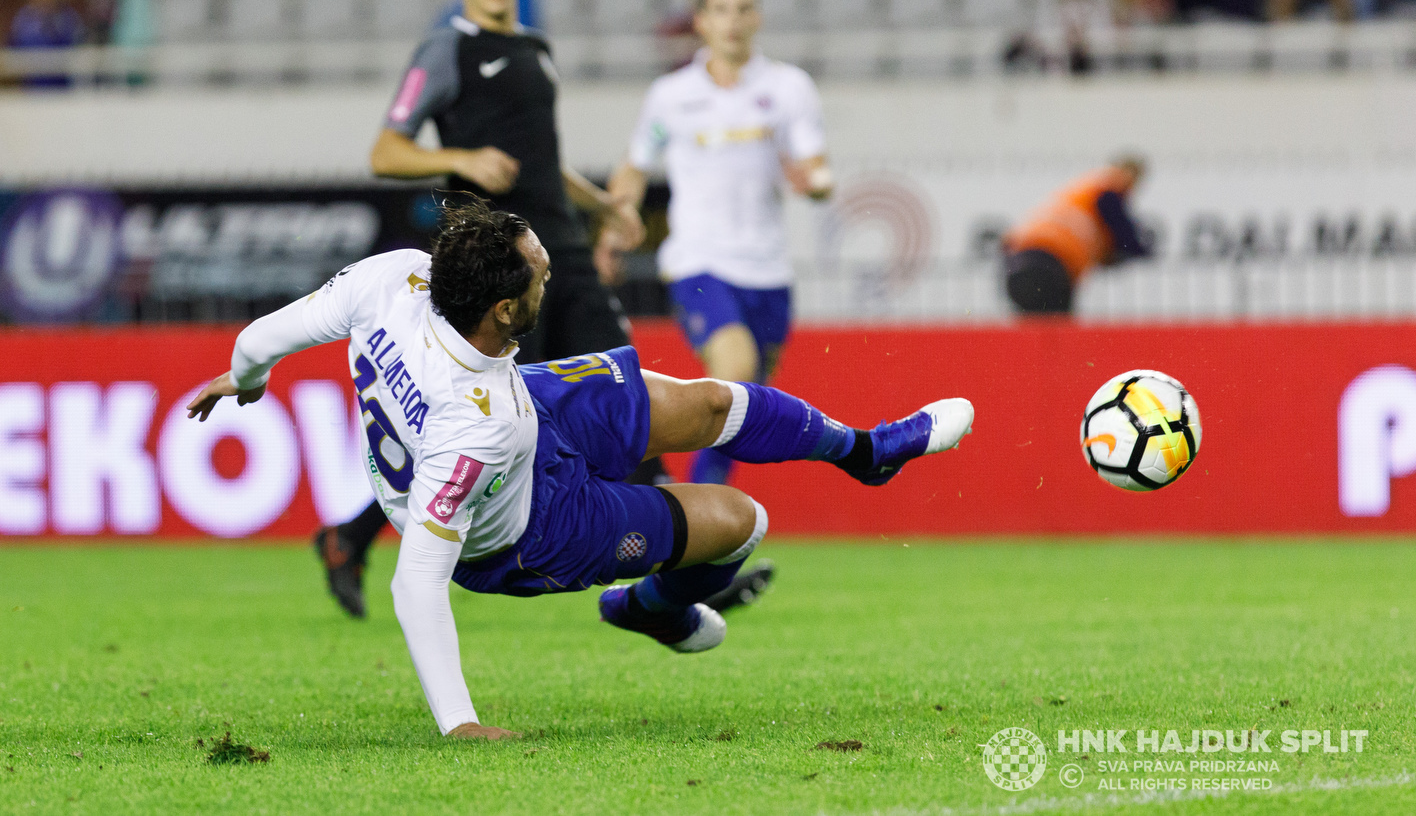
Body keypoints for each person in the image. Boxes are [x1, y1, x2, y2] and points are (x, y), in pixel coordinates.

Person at [186, 200, 976, 738]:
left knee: (702, 402)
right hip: (531, 529)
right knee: (741, 524)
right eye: (538, 273)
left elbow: (261, 336)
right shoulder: (472, 427)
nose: (548, 274)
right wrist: (460, 721)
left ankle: (868, 454)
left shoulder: (394, 276)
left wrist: (245, 380)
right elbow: (416, 580)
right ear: (501, 309)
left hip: (524, 403)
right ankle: (651, 608)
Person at [316, 0, 644, 618]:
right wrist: (459, 158)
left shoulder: (534, 47)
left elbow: (542, 161)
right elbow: (386, 150)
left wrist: (601, 206)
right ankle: (674, 570)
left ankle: (349, 534)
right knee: (597, 404)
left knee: (609, 398)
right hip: (502, 269)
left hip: (560, 252)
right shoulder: (446, 51)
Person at [602, 0, 832, 487]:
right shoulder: (672, 95)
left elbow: (817, 164)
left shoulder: (789, 87)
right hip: (699, 261)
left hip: (769, 270)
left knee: (744, 413)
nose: (734, 21)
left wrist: (815, 182)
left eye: (744, 8)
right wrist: (622, 213)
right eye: (721, 10)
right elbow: (635, 163)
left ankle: (699, 525)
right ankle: (682, 511)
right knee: (736, 371)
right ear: (701, 22)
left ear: (759, 17)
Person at [1002, 156, 1152, 316]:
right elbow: (1122, 232)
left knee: (1035, 326)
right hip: (1053, 263)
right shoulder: (1108, 189)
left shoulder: (1085, 189)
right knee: (1057, 329)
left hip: (1018, 262)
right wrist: (1140, 251)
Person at [9, 0, 84, 88]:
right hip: (30, 84)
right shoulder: (23, 17)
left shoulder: (67, 17)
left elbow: (75, 47)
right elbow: (14, 45)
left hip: (61, 84)